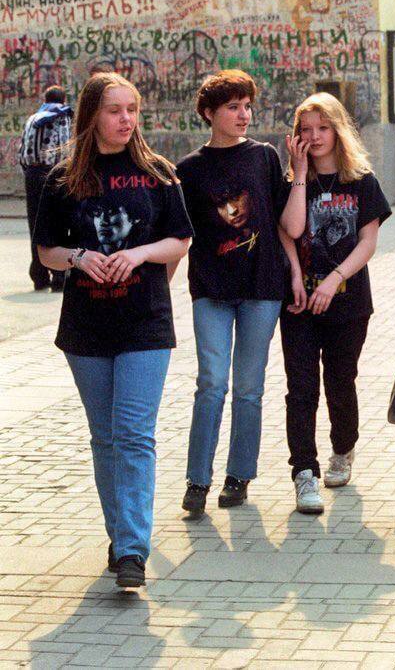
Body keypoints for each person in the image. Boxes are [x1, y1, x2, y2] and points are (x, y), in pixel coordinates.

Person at [32, 72, 193, 587]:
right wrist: (79, 259)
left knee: (133, 435)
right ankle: (120, 534)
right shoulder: (64, 180)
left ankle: (131, 551)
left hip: (145, 322)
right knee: (105, 438)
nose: (126, 119)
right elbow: (46, 250)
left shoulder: (158, 173)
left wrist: (138, 253)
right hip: (86, 327)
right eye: (115, 110)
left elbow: (179, 241)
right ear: (91, 116)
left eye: (133, 109)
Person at [176, 70, 305, 515]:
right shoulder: (189, 170)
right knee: (211, 383)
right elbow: (178, 233)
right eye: (233, 107)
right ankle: (197, 480)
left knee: (249, 387)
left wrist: (294, 272)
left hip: (261, 286)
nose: (244, 114)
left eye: (247, 106)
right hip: (210, 288)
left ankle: (239, 475)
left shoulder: (264, 157)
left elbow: (285, 223)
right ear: (210, 113)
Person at [277, 93, 391, 514]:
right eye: (305, 130)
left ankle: (342, 449)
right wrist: (301, 172)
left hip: (348, 301)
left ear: (338, 130)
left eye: (322, 128)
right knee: (300, 388)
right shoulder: (293, 183)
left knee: (340, 381)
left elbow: (368, 244)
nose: (314, 136)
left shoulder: (362, 182)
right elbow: (290, 229)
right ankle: (303, 473)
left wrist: (334, 280)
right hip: (299, 303)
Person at [19, 85, 72, 292]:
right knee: (58, 221)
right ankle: (59, 276)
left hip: (32, 174)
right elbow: (66, 148)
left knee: (36, 223)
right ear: (63, 100)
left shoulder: (32, 118)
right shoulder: (63, 116)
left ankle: (39, 276)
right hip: (54, 173)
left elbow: (22, 150)